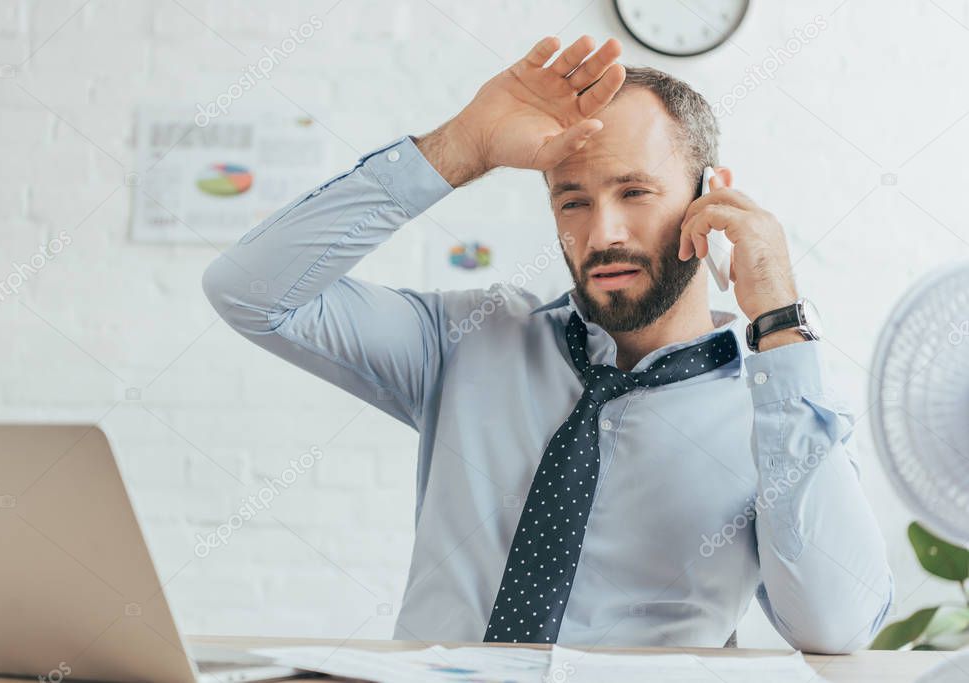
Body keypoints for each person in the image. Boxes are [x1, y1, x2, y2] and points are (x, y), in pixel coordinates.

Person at [202, 35, 893, 653]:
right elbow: (249, 290)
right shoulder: (465, 342)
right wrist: (460, 146)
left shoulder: (779, 405)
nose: (602, 234)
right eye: (573, 200)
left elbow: (836, 626)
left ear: (711, 195)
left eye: (634, 191)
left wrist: (777, 318)